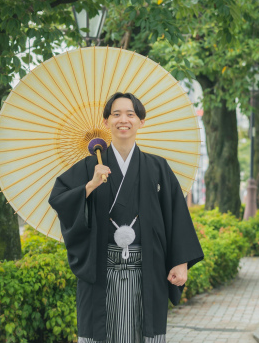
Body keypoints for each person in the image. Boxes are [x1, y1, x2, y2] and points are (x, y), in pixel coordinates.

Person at [49, 92, 204, 343]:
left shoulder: (157, 167)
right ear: (106, 121)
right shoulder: (90, 168)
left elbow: (176, 213)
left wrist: (180, 262)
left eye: (130, 114)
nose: (124, 120)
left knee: (144, 333)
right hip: (101, 269)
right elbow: (59, 199)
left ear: (141, 122)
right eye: (116, 114)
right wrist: (90, 186)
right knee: (101, 334)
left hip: (146, 268)